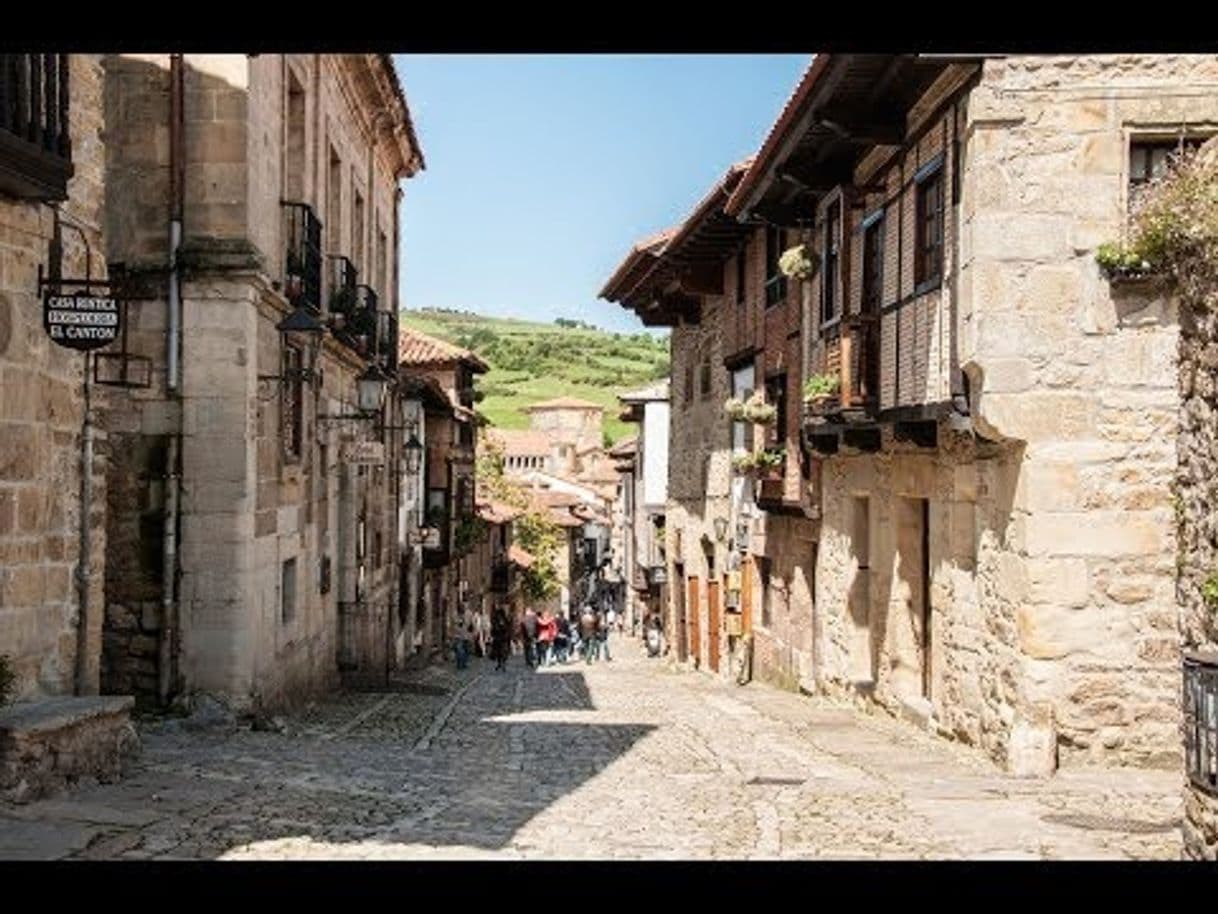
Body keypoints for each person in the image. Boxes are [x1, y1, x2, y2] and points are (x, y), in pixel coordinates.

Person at [490, 605, 511, 671]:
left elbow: (507, 629)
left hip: (502, 639)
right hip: (500, 639)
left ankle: (502, 664)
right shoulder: (497, 621)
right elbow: (493, 630)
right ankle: (500, 664)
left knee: (502, 652)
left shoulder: (504, 620)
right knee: (500, 652)